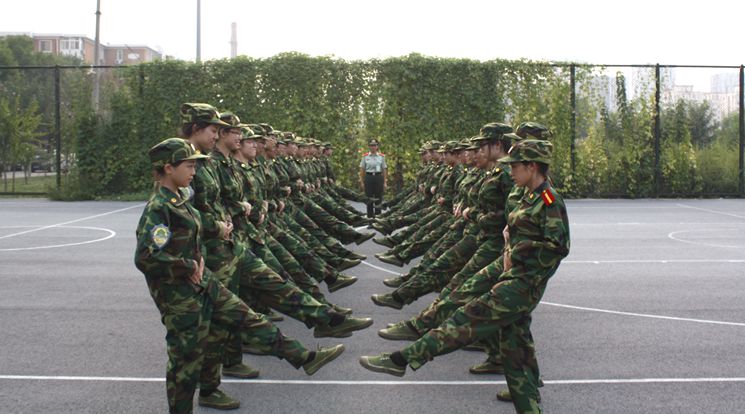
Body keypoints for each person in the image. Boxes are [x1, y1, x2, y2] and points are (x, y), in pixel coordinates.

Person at [134, 138, 347, 414]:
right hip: (179, 296)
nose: (194, 172)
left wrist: (200, 257)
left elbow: (192, 236)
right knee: (186, 360)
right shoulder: (159, 207)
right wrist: (188, 265)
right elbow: (146, 257)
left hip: (203, 281)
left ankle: (304, 357)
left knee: (246, 317)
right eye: (189, 166)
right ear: (168, 168)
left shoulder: (181, 199)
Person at [359, 139, 570, 414]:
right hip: (512, 275)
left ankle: (405, 359)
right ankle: (528, 403)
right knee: (515, 346)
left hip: (523, 283)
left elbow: (558, 247)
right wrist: (510, 238)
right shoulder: (527, 194)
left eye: (516, 166)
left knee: (466, 319)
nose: (511, 171)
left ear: (532, 167)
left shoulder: (549, 199)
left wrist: (517, 250)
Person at [358, 138, 387, 218]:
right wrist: (361, 182)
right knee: (369, 199)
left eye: (374, 145)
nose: (373, 147)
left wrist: (385, 182)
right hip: (369, 177)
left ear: (377, 146)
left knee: (378, 198)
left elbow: (384, 169)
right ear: (369, 146)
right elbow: (362, 169)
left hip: (378, 177)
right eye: (371, 145)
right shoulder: (365, 156)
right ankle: (370, 218)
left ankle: (378, 219)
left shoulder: (381, 156)